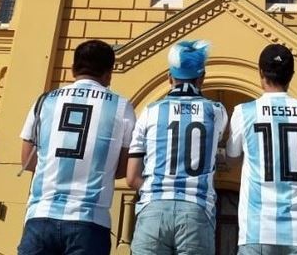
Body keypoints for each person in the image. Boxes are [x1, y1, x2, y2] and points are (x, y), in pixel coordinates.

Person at [18, 39, 136, 255]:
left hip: (41, 214)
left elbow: (27, 160)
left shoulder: (45, 101)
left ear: (73, 69)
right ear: (109, 73)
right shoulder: (122, 106)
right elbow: (122, 168)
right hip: (90, 219)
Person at [127, 40, 228, 255]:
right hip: (197, 210)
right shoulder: (217, 111)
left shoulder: (149, 111)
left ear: (169, 77)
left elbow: (132, 177)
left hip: (153, 208)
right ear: (202, 77)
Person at [226, 44, 297, 254]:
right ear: (292, 75)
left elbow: (232, 157)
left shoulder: (244, 112)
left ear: (261, 72)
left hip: (257, 228)